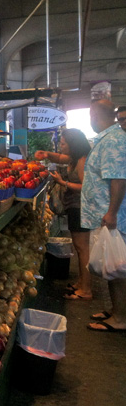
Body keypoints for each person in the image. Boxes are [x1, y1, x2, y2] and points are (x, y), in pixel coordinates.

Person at [81, 99, 126, 332]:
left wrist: (112, 212)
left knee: (118, 267)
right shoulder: (109, 139)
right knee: (111, 265)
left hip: (111, 216)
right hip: (104, 213)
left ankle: (120, 319)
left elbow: (118, 178)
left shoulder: (113, 141)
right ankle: (116, 311)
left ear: (94, 115)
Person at [35, 129, 92, 299]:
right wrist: (46, 154)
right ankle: (81, 283)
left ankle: (86, 290)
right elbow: (60, 158)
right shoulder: (75, 157)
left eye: (64, 143)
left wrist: (63, 182)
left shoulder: (81, 161)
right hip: (75, 207)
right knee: (80, 247)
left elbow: (86, 188)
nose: (61, 145)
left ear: (72, 145)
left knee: (82, 249)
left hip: (80, 208)